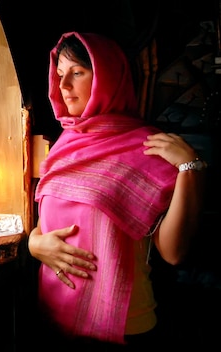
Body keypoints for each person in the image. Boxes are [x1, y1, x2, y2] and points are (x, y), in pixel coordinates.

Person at [28, 32, 206, 350]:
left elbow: (173, 252)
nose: (64, 85)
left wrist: (189, 169)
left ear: (107, 77)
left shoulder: (149, 147)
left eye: (77, 72)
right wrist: (35, 244)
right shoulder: (62, 146)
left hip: (123, 327)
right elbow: (47, 224)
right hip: (54, 317)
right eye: (59, 74)